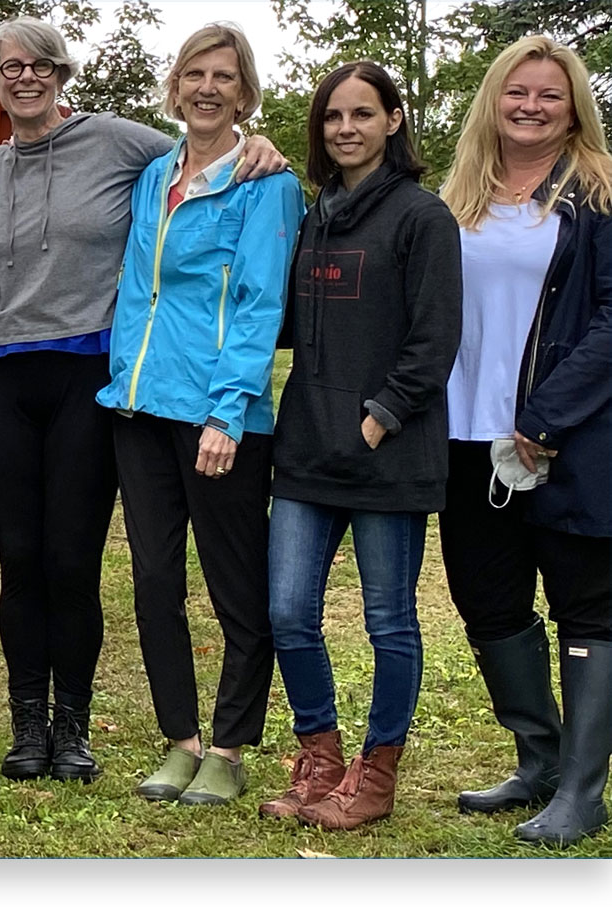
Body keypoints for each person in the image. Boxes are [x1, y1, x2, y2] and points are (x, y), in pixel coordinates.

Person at [0, 17, 288, 783]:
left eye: (40, 64)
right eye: (9, 67)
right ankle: (140, 735)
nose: (25, 76)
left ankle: (204, 744)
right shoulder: (2, 172)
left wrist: (259, 148)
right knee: (114, 573)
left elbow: (255, 292)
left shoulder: (155, 155)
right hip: (100, 393)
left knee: (173, 575)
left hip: (151, 391)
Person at [101, 22, 302, 806]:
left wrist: (227, 412)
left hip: (220, 416)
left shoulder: (266, 184)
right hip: (139, 406)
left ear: (243, 91)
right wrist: (122, 378)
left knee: (233, 584)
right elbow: (136, 290)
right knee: (152, 578)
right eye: (194, 74)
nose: (207, 87)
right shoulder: (153, 176)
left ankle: (228, 743)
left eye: (223, 76)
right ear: (175, 87)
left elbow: (258, 305)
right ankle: (178, 737)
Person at [262, 60, 459, 830]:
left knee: (388, 621)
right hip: (306, 451)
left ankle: (374, 774)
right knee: (286, 612)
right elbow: (281, 322)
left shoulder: (422, 217)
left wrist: (377, 416)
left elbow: (434, 338)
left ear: (392, 120)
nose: (345, 128)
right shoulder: (314, 217)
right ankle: (319, 757)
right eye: (332, 117)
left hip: (389, 454)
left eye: (361, 114)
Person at [436, 34, 612, 847]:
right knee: (488, 600)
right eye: (517, 91)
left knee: (586, 607)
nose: (530, 105)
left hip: (564, 439)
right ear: (493, 99)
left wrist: (543, 416)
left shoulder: (598, 193)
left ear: (573, 105)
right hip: (466, 435)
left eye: (549, 94)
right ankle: (537, 760)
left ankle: (581, 790)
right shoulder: (459, 193)